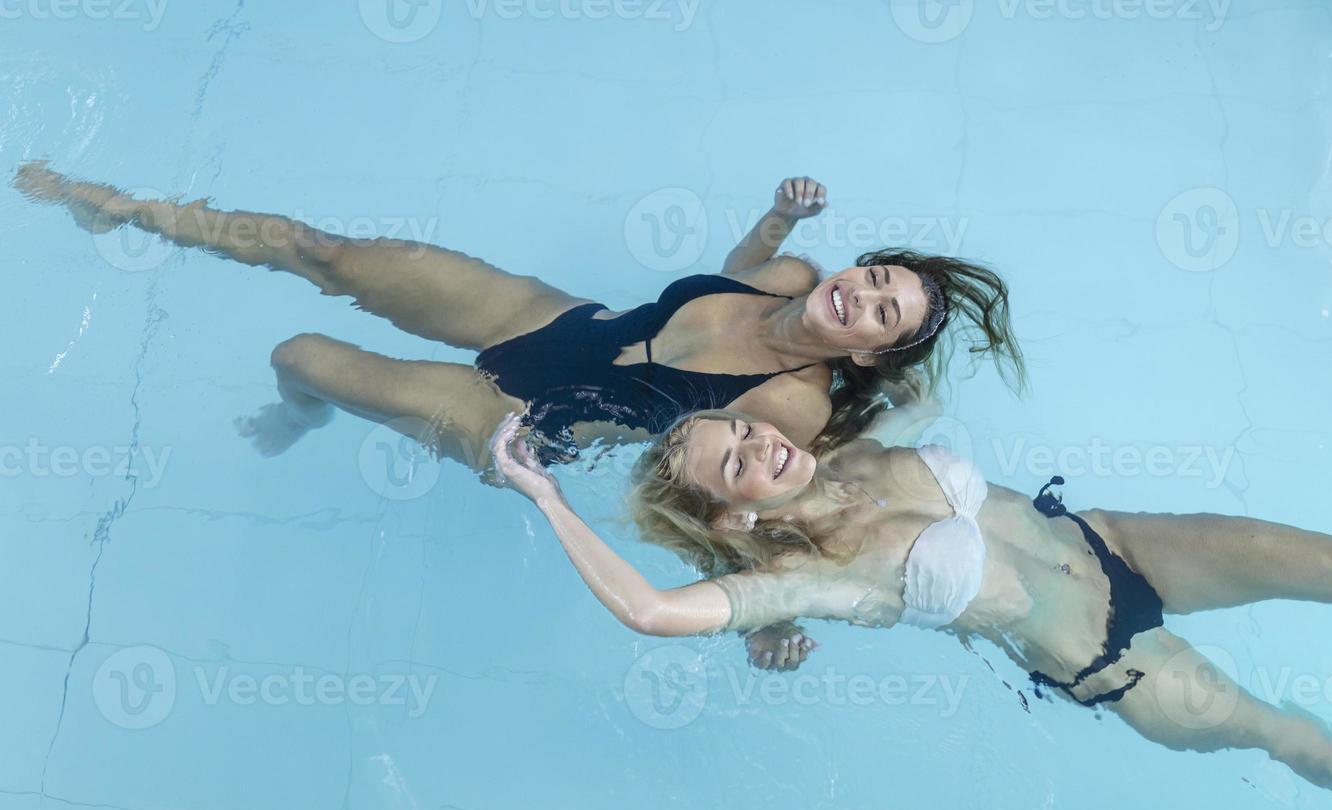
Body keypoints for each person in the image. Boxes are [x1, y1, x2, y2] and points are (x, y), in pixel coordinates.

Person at [489, 408, 1332, 810]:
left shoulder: (850, 454)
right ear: (732, 514)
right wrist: (545, 497)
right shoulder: (821, 577)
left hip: (1118, 542)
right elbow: (653, 608)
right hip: (1117, 661)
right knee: (1313, 745)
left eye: (749, 430)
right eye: (734, 462)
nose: (761, 446)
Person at [14, 163, 1022, 470]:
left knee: (300, 352)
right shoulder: (792, 271)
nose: (862, 291)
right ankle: (116, 207)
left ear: (874, 347)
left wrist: (758, 618)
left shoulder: (793, 405)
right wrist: (776, 218)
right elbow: (737, 266)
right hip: (547, 316)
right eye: (877, 273)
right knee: (325, 253)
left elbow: (749, 497)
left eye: (883, 310)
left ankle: (300, 409)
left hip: (516, 414)